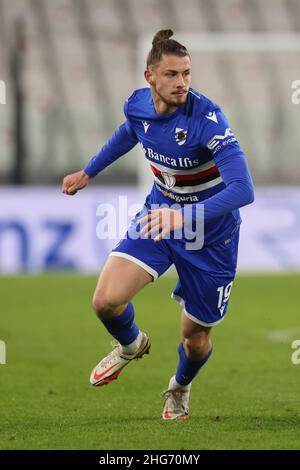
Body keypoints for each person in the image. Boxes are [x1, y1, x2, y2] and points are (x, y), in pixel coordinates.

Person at [61, 29, 254, 420]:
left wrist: (182, 216)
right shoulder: (137, 104)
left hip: (210, 237)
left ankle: (179, 388)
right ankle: (132, 345)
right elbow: (128, 133)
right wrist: (89, 172)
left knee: (195, 340)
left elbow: (243, 190)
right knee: (105, 302)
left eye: (186, 73)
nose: (182, 82)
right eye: (171, 74)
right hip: (158, 218)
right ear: (149, 75)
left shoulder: (208, 120)